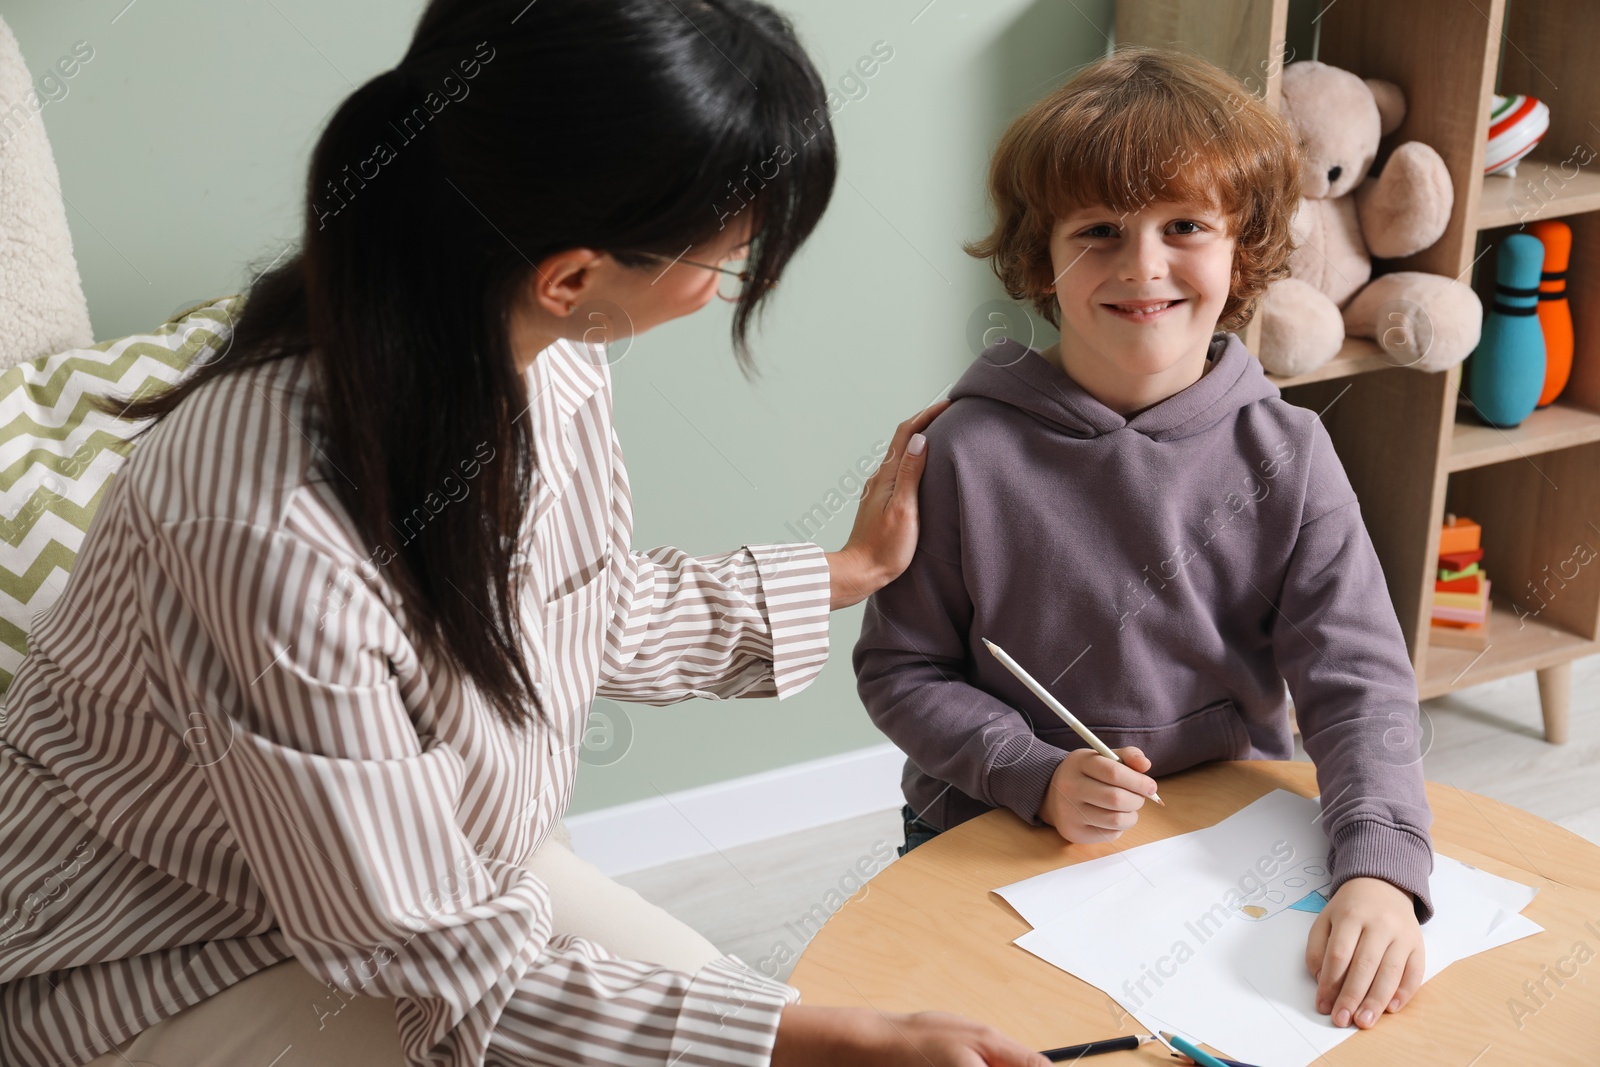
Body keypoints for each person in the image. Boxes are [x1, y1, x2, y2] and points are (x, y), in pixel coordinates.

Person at [0, 2, 1050, 1065]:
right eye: (729, 262)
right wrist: (818, 1038)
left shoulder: (538, 342)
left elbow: (577, 601)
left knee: (751, 1012)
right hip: (154, 949)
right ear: (574, 273)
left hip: (435, 870)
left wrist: (846, 569)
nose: (722, 288)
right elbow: (418, 939)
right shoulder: (263, 525)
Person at [853, 46, 1435, 1037]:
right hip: (987, 826)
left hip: (1217, 833)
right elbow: (901, 669)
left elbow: (1359, 683)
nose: (1142, 266)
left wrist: (1380, 863)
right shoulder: (960, 449)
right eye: (1098, 232)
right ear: (1039, 257)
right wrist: (1031, 773)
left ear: (1242, 246)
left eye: (1184, 227)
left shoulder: (1287, 450)